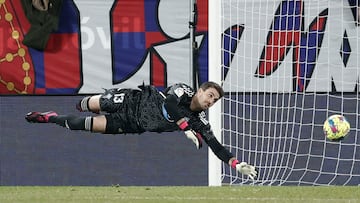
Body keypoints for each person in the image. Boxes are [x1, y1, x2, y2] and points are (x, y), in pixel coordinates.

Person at [25, 81, 258, 180]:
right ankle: (89, 103)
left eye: (214, 101)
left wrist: (235, 164)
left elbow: (215, 145)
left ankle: (50, 118)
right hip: (130, 101)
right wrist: (184, 127)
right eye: (209, 96)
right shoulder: (183, 90)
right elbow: (168, 104)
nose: (210, 102)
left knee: (79, 124)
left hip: (131, 124)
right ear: (199, 90)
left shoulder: (200, 120)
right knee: (85, 104)